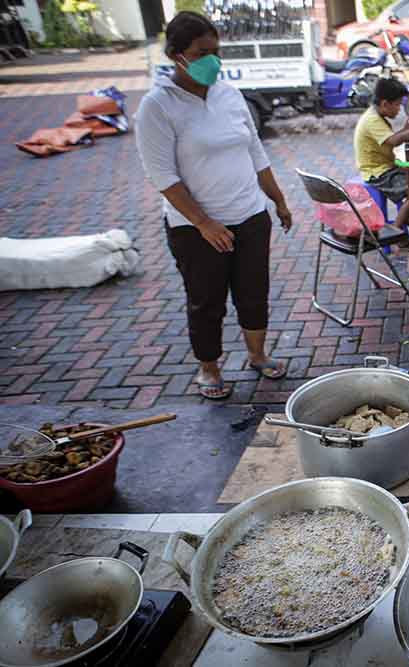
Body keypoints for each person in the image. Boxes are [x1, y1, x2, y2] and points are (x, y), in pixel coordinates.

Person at [135, 11, 292, 400]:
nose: (213, 60)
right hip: (195, 229)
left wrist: (279, 200)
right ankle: (209, 368)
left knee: (254, 292)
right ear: (176, 55)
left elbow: (256, 152)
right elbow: (162, 177)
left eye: (216, 51)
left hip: (251, 215)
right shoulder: (158, 106)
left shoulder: (229, 93)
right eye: (202, 52)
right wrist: (204, 223)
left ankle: (257, 355)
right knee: (206, 301)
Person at [353, 78, 409, 231]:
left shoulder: (377, 116)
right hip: (378, 173)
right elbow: (394, 140)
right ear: (384, 104)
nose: (399, 109)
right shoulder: (372, 120)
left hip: (387, 167)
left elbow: (391, 139)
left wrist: (407, 128)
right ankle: (397, 230)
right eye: (397, 105)